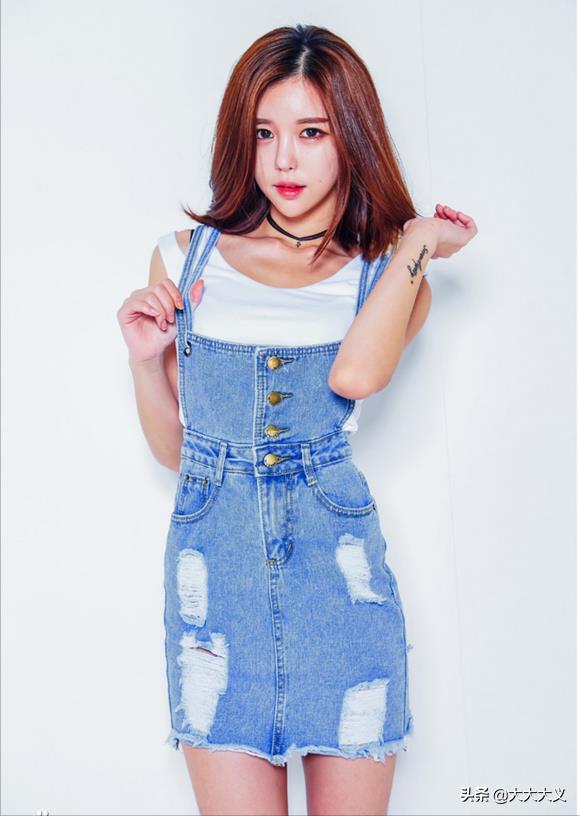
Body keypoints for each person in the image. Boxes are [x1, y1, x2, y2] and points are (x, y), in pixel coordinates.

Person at [117, 23, 477, 816]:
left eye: (311, 133)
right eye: (264, 133)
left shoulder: (386, 276)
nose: (284, 160)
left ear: (351, 137)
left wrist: (417, 239)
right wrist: (146, 360)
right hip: (216, 592)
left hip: (339, 590)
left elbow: (356, 375)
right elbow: (178, 453)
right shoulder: (184, 259)